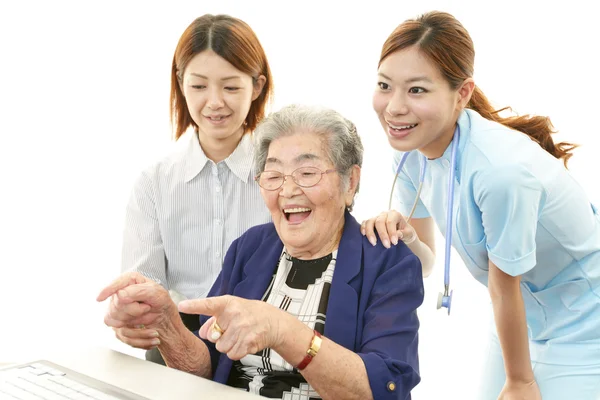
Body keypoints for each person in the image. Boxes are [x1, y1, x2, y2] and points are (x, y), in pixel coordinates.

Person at [97, 104, 424, 400]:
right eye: (274, 174)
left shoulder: (388, 262)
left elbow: (385, 390)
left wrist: (283, 331)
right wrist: (166, 324)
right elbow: (207, 369)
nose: (288, 190)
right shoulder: (251, 247)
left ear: (350, 182)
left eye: (307, 173)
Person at [362, 10, 600, 400]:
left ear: (462, 93)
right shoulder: (410, 155)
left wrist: (520, 382)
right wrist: (403, 235)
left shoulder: (500, 171)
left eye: (417, 90)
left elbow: (503, 285)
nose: (394, 107)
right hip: (521, 314)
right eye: (385, 85)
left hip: (588, 325)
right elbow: (425, 262)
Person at [118, 14, 273, 364]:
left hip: (266, 337)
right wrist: (132, 316)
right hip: (179, 334)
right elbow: (143, 287)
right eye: (199, 86)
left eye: (231, 87)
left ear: (258, 86)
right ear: (180, 82)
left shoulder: (279, 174)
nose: (214, 102)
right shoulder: (154, 183)